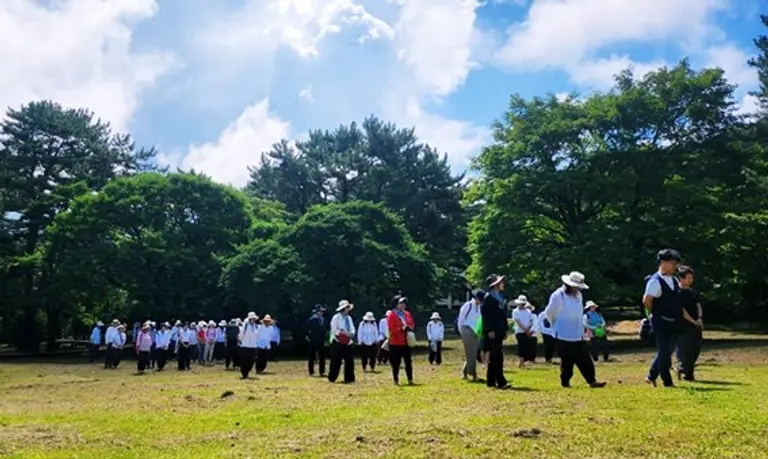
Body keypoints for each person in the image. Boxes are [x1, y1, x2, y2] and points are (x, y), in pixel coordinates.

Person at [544, 271, 606, 389]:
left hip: (578, 334)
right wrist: (555, 325)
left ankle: (592, 381)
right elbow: (549, 312)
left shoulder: (579, 295)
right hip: (563, 334)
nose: (578, 289)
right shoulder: (558, 295)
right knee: (567, 361)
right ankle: (565, 382)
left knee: (585, 359)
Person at [643, 248, 683, 388]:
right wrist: (654, 313)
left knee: (666, 351)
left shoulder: (674, 279)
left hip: (673, 321)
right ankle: (667, 382)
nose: (675, 266)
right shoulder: (655, 281)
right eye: (672, 263)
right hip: (660, 321)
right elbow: (647, 300)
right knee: (665, 352)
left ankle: (651, 376)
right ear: (663, 263)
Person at [482, 274, 511, 389]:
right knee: (497, 356)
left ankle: (490, 380)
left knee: (496, 355)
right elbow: (486, 316)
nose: (503, 284)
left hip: (500, 329)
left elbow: (503, 314)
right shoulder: (488, 298)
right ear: (495, 285)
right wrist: (490, 329)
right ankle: (501, 381)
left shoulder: (500, 297)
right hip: (492, 331)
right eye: (500, 282)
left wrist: (505, 329)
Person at [676, 265, 704, 381]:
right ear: (681, 278)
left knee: (696, 348)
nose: (690, 280)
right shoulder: (677, 292)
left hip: (695, 324)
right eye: (688, 278)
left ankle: (682, 369)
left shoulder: (692, 292)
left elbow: (698, 305)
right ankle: (688, 375)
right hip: (683, 325)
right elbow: (681, 310)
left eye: (691, 278)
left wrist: (700, 318)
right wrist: (692, 321)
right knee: (686, 350)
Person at [386, 295, 416, 385]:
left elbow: (412, 323)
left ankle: (410, 379)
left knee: (408, 362)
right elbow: (391, 328)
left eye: (404, 303)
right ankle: (396, 380)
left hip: (406, 341)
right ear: (396, 304)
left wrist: (409, 327)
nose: (403, 305)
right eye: (401, 303)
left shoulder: (407, 313)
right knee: (396, 363)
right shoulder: (392, 314)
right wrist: (401, 328)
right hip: (395, 342)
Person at [458, 291, 484, 381]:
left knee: (473, 353)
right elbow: (461, 318)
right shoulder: (467, 305)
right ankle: (474, 374)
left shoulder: (480, 307)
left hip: (476, 331)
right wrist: (460, 331)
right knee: (471, 352)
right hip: (466, 329)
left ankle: (465, 372)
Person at [328, 300, 356, 384]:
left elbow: (352, 328)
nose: (348, 309)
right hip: (338, 341)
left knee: (349, 361)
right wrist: (341, 333)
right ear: (343, 308)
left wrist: (351, 333)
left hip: (348, 342)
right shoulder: (336, 317)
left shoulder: (349, 318)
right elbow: (333, 329)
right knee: (336, 361)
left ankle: (349, 378)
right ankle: (332, 377)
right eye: (347, 307)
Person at [512, 295, 535, 368]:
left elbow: (531, 321)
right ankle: (521, 362)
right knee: (521, 346)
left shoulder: (528, 311)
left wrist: (528, 329)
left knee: (525, 347)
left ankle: (522, 362)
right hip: (519, 331)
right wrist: (526, 329)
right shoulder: (515, 311)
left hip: (526, 332)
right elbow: (518, 322)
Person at [307, 305, 328, 376]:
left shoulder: (324, 319)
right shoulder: (312, 319)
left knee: (322, 356)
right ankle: (311, 371)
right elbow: (310, 329)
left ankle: (322, 371)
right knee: (312, 356)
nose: (321, 313)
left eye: (322, 311)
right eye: (320, 311)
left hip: (321, 340)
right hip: (313, 339)